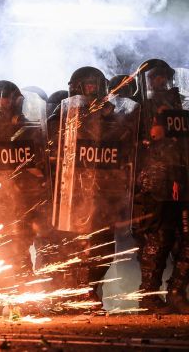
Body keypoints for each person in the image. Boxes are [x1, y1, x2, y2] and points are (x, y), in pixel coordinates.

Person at [52, 67, 140, 310]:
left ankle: (90, 291)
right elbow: (54, 147)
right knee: (79, 248)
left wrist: (110, 118)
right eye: (87, 85)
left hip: (105, 194)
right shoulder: (65, 113)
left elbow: (125, 142)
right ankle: (79, 296)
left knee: (104, 248)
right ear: (77, 87)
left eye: (95, 85)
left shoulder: (111, 115)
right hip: (75, 195)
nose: (91, 89)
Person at [0, 81, 52, 280]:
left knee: (19, 254)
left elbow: (40, 169)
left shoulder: (29, 130)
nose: (2, 105)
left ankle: (24, 296)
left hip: (22, 204)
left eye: (6, 101)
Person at [132, 59, 189, 313]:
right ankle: (149, 296)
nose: (161, 81)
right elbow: (153, 137)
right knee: (159, 240)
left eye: (164, 77)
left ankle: (176, 292)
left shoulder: (179, 105)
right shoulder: (139, 109)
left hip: (182, 178)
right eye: (155, 77)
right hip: (155, 183)